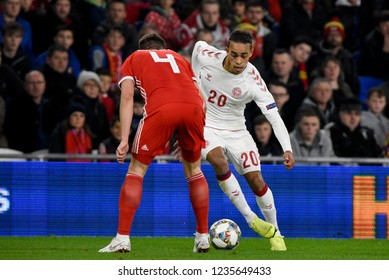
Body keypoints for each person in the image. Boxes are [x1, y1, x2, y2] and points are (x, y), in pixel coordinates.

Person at [99, 33, 211, 253]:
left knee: (136, 170)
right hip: (195, 109)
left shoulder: (134, 58)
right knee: (194, 170)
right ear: (163, 47)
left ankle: (122, 238)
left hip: (161, 108)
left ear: (143, 48)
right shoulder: (179, 58)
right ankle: (202, 236)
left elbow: (128, 96)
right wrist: (186, 132)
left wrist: (124, 139)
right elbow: (201, 99)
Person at [191, 29, 295, 251]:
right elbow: (198, 46)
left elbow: (273, 116)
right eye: (234, 54)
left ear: (252, 53)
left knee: (256, 181)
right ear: (226, 49)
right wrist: (194, 79)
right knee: (218, 160)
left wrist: (287, 148)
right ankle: (250, 218)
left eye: (244, 56)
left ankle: (276, 233)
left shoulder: (253, 81)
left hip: (237, 130)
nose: (239, 61)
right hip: (207, 125)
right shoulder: (209, 57)